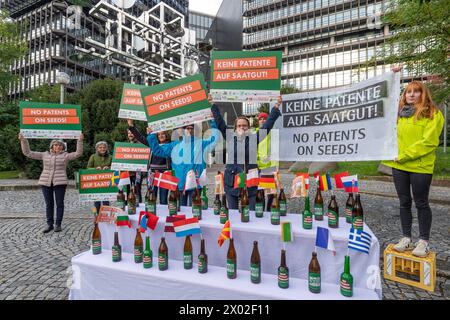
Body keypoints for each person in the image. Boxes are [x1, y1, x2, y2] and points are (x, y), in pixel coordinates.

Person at [382, 72, 444, 257]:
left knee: (421, 203)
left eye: (416, 91)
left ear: (423, 94)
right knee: (404, 203)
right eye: (408, 91)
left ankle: (423, 241)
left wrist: (404, 155)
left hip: (420, 166)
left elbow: (429, 142)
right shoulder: (399, 115)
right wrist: (392, 76)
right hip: (399, 166)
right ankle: (406, 238)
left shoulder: (433, 113)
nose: (411, 94)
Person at [211, 96, 282, 210]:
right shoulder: (230, 138)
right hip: (232, 181)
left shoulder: (254, 138)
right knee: (233, 214)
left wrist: (276, 107)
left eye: (244, 125)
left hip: (251, 182)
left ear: (248, 127)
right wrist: (212, 105)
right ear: (235, 128)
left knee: (251, 213)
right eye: (239, 125)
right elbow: (220, 122)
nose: (242, 127)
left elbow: (268, 125)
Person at [146, 118, 220, 207]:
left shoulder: (201, 143)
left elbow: (214, 140)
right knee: (182, 212)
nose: (189, 130)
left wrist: (213, 120)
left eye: (191, 128)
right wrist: (151, 135)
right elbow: (157, 151)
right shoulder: (174, 145)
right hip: (180, 185)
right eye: (186, 128)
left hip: (195, 185)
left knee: (195, 211)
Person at [19, 133, 84, 233]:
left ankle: (58, 224)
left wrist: (80, 141)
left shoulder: (65, 156)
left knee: (59, 204)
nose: (57, 146)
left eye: (59, 145)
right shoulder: (44, 154)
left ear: (63, 147)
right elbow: (28, 153)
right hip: (45, 182)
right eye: (55, 145)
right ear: (52, 146)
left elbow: (78, 153)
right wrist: (23, 140)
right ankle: (49, 224)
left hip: (60, 182)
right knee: (49, 204)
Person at [127, 119, 172, 204]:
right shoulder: (153, 143)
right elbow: (140, 137)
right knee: (151, 197)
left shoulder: (170, 145)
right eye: (159, 135)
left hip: (165, 173)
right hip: (152, 173)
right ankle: (151, 214)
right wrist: (131, 126)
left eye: (163, 134)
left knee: (163, 199)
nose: (161, 136)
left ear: (166, 135)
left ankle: (163, 216)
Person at [256, 111, 280, 211]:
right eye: (260, 119)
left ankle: (270, 211)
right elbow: (252, 150)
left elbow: (276, 150)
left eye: (264, 118)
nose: (262, 120)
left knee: (271, 192)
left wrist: (276, 167)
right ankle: (260, 211)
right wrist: (259, 159)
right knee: (260, 191)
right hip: (258, 167)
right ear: (258, 121)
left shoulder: (273, 133)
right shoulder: (255, 133)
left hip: (270, 167)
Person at [87, 141, 112, 213]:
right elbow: (88, 167)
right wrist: (95, 169)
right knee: (97, 201)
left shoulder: (110, 157)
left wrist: (109, 167)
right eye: (100, 147)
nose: (102, 149)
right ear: (97, 149)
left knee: (106, 200)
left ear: (107, 148)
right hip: (96, 182)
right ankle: (98, 216)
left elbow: (114, 167)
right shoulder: (93, 156)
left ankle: (106, 215)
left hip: (107, 182)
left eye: (104, 147)